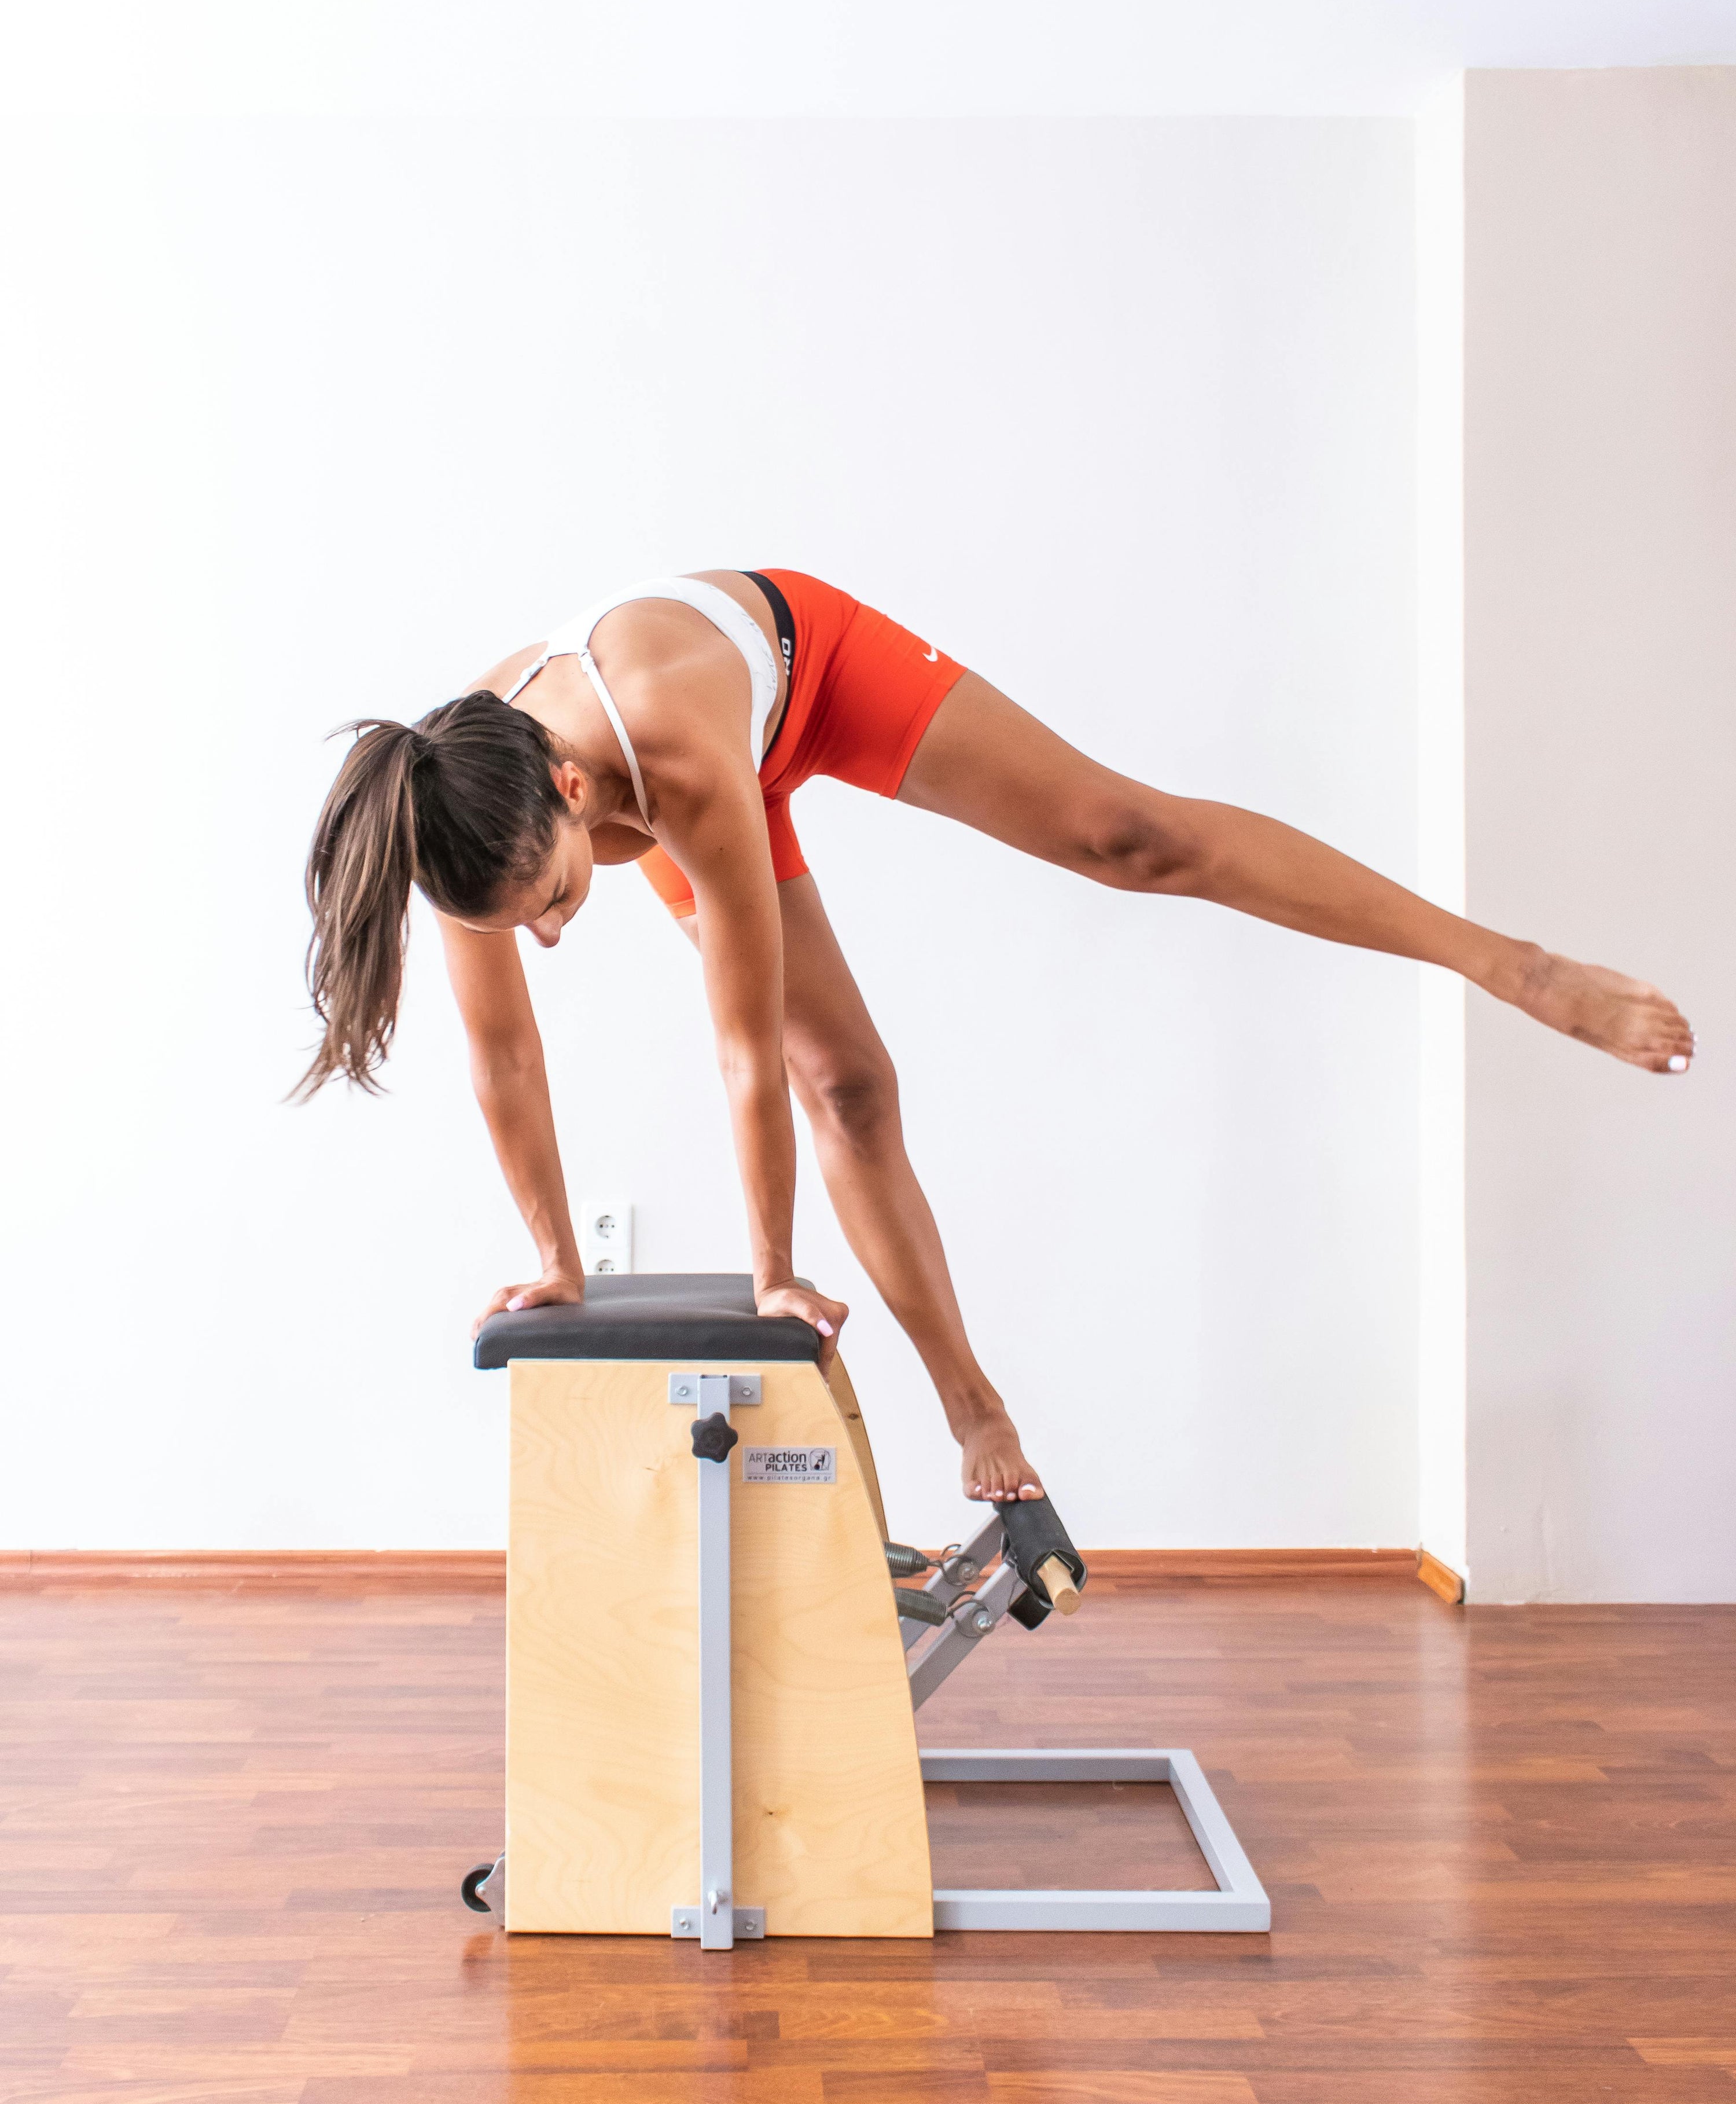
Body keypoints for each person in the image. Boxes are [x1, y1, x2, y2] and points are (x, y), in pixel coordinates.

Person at [297, 569, 1695, 1504]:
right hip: (660, 779)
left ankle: (1509, 966)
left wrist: (781, 1273)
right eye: (532, 919)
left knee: (1126, 838)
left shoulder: (660, 756)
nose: (548, 933)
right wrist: (553, 1264)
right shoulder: (462, 816)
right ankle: (976, 1408)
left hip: (802, 664)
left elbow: (738, 1046)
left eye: (554, 900)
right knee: (849, 1082)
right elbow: (504, 1061)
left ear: (568, 787)